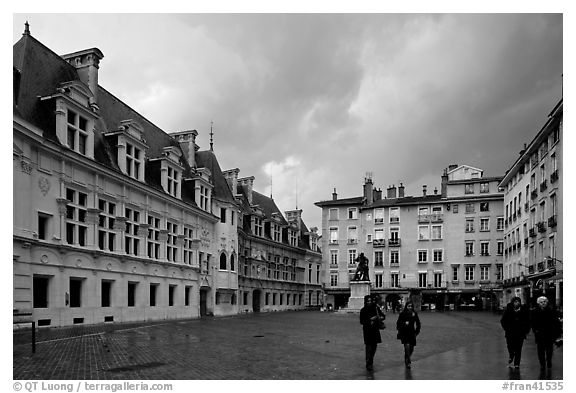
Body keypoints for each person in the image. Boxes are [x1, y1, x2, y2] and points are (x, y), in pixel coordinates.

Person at [531, 296, 562, 370]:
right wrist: (535, 330)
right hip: (539, 334)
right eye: (541, 302)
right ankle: (542, 363)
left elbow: (556, 322)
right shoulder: (535, 312)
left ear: (547, 302)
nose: (543, 303)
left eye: (544, 302)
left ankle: (549, 361)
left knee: (549, 350)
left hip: (549, 334)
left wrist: (559, 332)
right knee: (540, 350)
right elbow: (532, 322)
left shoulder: (551, 311)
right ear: (538, 303)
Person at [500, 296, 530, 368]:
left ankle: (517, 363)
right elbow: (503, 321)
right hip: (510, 333)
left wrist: (526, 330)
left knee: (518, 348)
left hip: (520, 333)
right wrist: (507, 328)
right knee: (510, 346)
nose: (517, 303)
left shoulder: (524, 310)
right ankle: (511, 354)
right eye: (515, 302)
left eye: (518, 301)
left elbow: (528, 321)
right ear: (512, 303)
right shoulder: (508, 310)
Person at [360, 295, 384, 371]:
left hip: (375, 329)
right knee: (368, 347)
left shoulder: (375, 308)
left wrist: (379, 318)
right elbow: (362, 321)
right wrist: (370, 319)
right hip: (367, 330)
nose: (369, 302)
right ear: (365, 302)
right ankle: (368, 363)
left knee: (374, 347)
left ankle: (371, 360)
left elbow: (383, 316)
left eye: (370, 301)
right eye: (368, 301)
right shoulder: (363, 310)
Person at [396, 301, 421, 368]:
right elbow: (398, 323)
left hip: (412, 333)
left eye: (411, 306)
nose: (410, 307)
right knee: (407, 347)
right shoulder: (402, 314)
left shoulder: (414, 314)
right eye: (408, 306)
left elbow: (418, 323)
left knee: (411, 348)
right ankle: (408, 361)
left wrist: (417, 332)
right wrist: (404, 323)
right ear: (406, 307)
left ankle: (407, 357)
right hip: (404, 333)